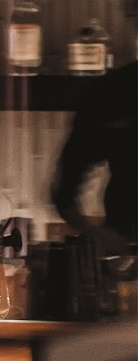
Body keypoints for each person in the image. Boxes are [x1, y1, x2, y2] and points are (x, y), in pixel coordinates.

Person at [52, 61, 137, 249]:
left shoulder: (113, 88)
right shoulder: (114, 91)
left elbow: (64, 197)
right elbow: (64, 196)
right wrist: (105, 237)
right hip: (127, 239)